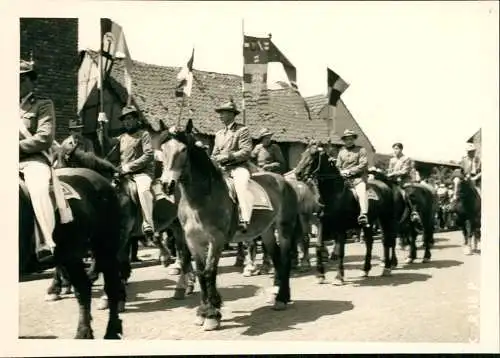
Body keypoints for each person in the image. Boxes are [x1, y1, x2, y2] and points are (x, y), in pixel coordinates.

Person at [19, 59, 57, 260]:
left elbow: (44, 137)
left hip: (33, 160)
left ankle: (46, 240)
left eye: (21, 79)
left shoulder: (42, 105)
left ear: (30, 81)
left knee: (39, 189)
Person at [103, 105, 156, 237]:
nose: (126, 122)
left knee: (143, 190)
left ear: (136, 119)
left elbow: (148, 155)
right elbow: (106, 144)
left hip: (141, 173)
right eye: (124, 119)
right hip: (123, 174)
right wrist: (102, 127)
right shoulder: (122, 137)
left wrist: (129, 167)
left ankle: (148, 223)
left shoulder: (144, 135)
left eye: (129, 118)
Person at [211, 98, 253, 232]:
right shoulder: (218, 134)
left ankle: (244, 218)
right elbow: (214, 153)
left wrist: (228, 156)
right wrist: (213, 159)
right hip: (222, 169)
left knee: (241, 185)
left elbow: (246, 151)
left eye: (223, 113)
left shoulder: (242, 130)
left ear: (232, 114)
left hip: (238, 167)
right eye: (220, 113)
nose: (220, 116)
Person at [335, 129, 369, 226]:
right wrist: (341, 171)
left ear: (354, 139)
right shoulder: (341, 152)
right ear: (344, 140)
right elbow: (338, 165)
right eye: (346, 139)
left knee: (362, 194)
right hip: (344, 179)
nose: (348, 141)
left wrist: (350, 171)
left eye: (351, 139)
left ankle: (363, 214)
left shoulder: (361, 150)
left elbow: (363, 164)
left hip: (357, 179)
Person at [386, 142, 420, 222]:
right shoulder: (392, 159)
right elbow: (390, 170)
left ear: (401, 149)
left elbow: (405, 171)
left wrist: (393, 174)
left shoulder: (406, 158)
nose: (395, 150)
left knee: (409, 194)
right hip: (393, 181)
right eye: (394, 149)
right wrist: (388, 174)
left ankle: (414, 212)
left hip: (404, 180)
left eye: (397, 149)